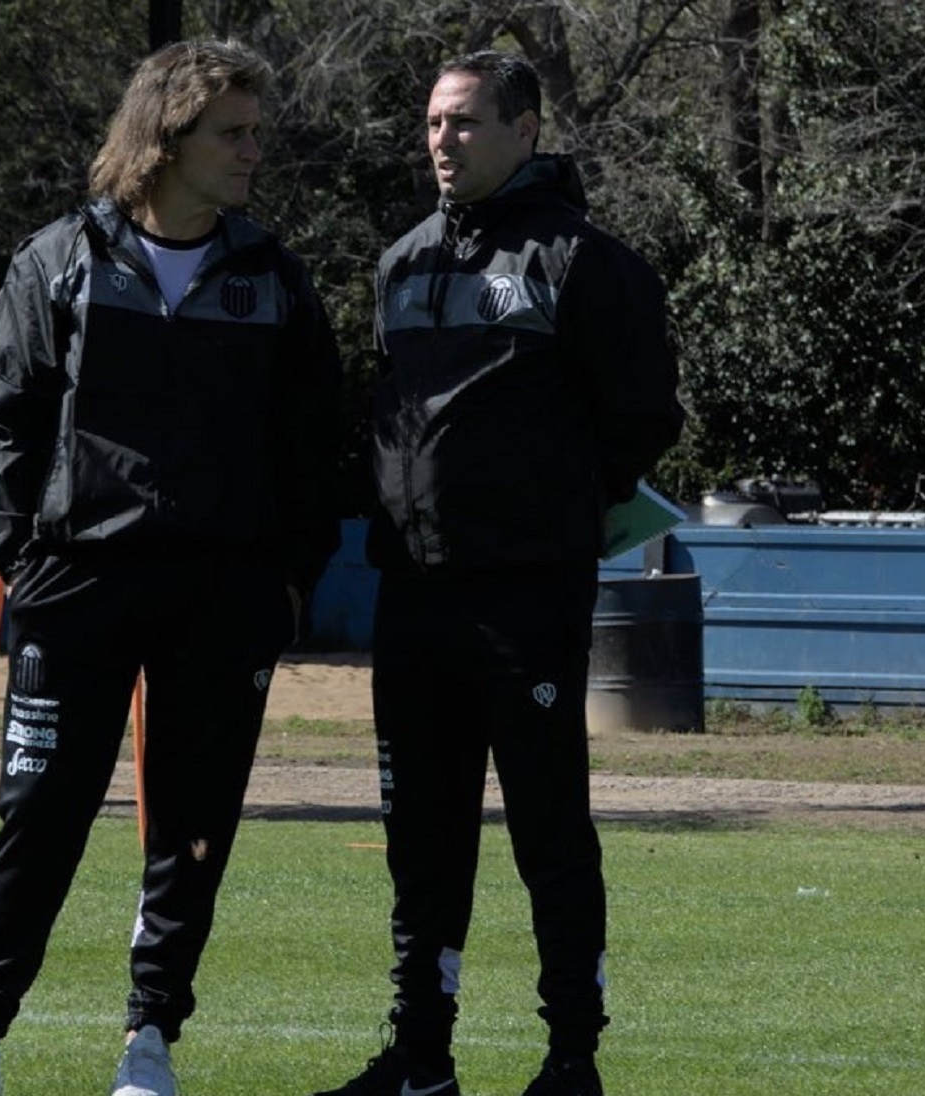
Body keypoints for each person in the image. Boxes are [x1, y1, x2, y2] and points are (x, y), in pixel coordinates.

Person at [0, 38, 341, 1096]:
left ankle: (149, 1046)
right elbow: (1, 426)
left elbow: (314, 444)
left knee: (192, 829)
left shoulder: (273, 279)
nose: (251, 153)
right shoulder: (56, 262)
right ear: (167, 137)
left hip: (222, 601)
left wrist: (286, 581)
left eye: (255, 133)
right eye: (232, 133)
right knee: (39, 815)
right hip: (75, 591)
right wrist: (19, 558)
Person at [315, 50, 684, 1096]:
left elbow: (645, 415)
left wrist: (548, 506)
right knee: (420, 838)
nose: (443, 139)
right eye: (433, 121)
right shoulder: (401, 264)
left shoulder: (584, 262)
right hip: (415, 597)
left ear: (526, 131)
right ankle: (419, 1056)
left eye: (466, 121)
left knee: (546, 827)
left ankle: (572, 1056)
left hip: (526, 594)